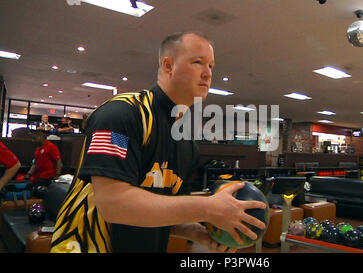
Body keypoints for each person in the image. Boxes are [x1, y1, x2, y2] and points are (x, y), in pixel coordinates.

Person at [50, 31, 266, 253]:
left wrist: (195, 231)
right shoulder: (120, 115)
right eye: (198, 62)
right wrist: (207, 208)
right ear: (168, 66)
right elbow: (113, 205)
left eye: (211, 66)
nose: (207, 74)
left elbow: (160, 210)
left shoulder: (186, 145)